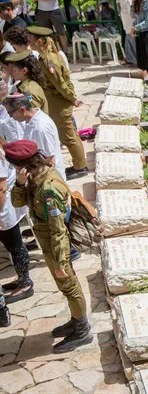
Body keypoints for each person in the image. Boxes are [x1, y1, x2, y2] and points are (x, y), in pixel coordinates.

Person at [7, 139, 92, 352]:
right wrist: (19, 184)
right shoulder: (36, 177)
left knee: (69, 285)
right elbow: (18, 203)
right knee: (66, 287)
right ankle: (76, 320)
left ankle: (82, 331)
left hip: (55, 245)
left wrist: (61, 262)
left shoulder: (48, 189)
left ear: (23, 164)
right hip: (47, 241)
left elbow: (58, 230)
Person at [28, 26, 88, 179]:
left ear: (40, 41)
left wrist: (72, 98)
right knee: (68, 135)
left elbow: (60, 84)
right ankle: (78, 164)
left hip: (59, 103)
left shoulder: (49, 60)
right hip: (56, 102)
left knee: (69, 136)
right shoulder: (46, 56)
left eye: (31, 39)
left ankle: (81, 167)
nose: (29, 42)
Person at [0, 133, 33, 306]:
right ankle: (22, 279)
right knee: (13, 244)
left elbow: (1, 189)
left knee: (14, 244)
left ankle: (25, 284)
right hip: (7, 206)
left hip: (4, 208)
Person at [117, 0, 136, 66]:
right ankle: (133, 60)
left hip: (131, 27)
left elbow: (132, 14)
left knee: (133, 46)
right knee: (130, 46)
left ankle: (136, 62)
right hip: (128, 28)